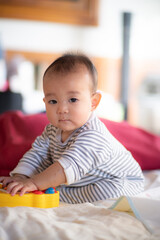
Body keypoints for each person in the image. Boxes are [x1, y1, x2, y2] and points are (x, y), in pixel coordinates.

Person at [0, 53, 144, 204]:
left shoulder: (93, 135)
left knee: (105, 192)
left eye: (73, 100)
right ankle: (54, 190)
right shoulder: (51, 130)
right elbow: (36, 155)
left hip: (118, 180)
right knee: (51, 181)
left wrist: (34, 183)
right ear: (45, 102)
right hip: (80, 177)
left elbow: (65, 167)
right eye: (53, 101)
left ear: (93, 102)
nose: (62, 109)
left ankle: (57, 193)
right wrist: (21, 177)